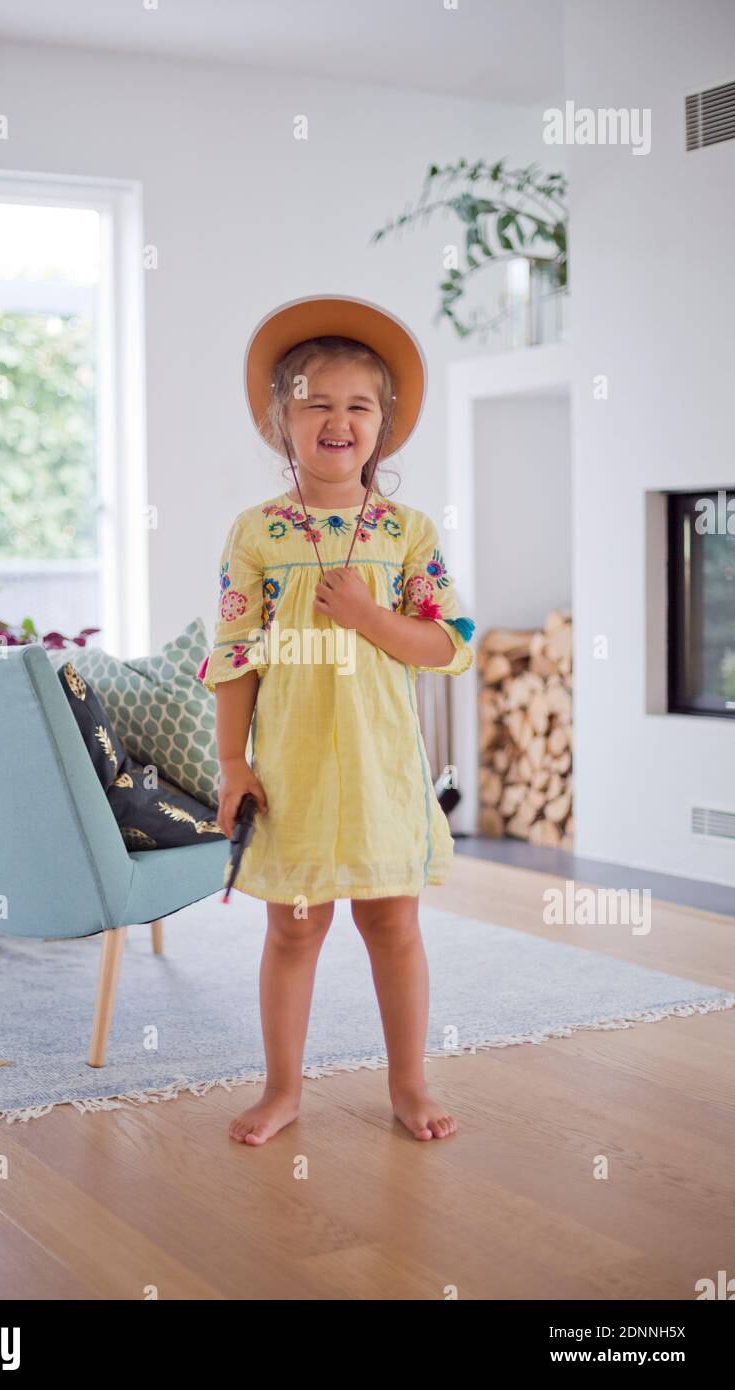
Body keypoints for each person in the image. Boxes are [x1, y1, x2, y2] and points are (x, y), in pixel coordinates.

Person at [196, 294, 475, 1145]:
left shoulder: (406, 531)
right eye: (316, 401)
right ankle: (283, 1089)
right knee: (294, 928)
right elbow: (235, 653)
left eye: (358, 406)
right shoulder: (256, 533)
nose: (337, 419)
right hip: (292, 767)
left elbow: (449, 645)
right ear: (282, 418)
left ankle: (408, 1083)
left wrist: (369, 619)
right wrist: (233, 764)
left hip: (384, 761)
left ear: (383, 424)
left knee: (392, 923)